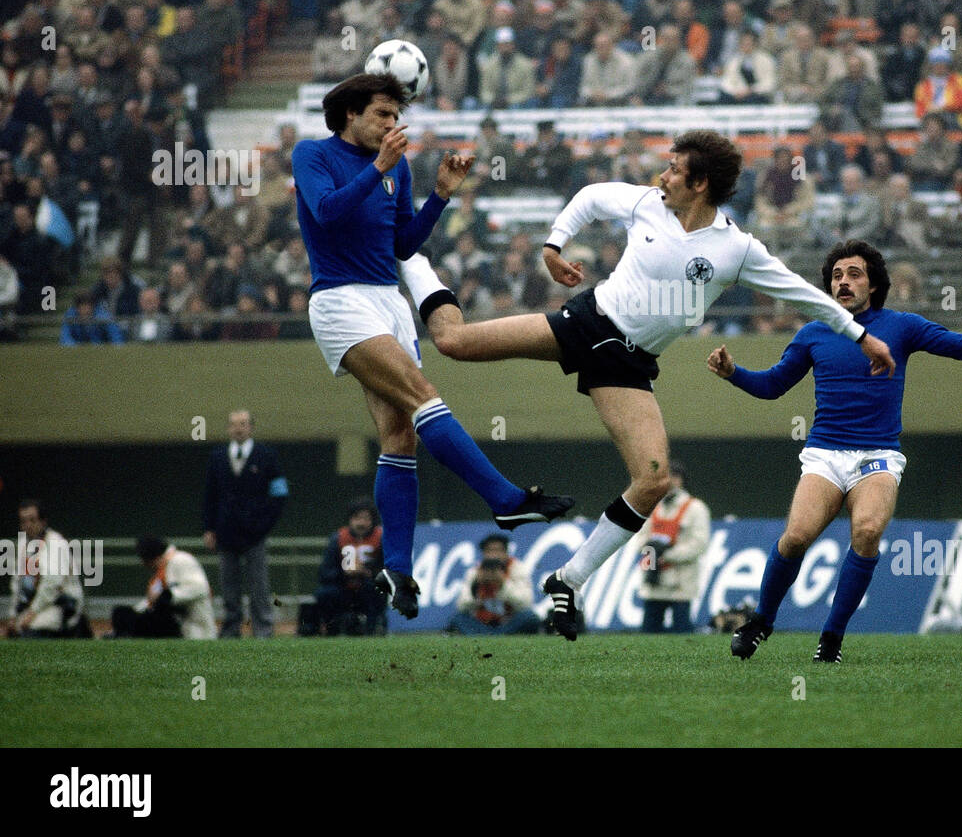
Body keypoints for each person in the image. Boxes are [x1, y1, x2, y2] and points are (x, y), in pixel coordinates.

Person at [398, 130, 897, 641]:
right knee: (453, 342)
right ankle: (408, 255)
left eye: (675, 169)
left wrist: (861, 336)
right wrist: (552, 244)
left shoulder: (736, 249)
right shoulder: (646, 204)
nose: (663, 176)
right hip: (587, 324)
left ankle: (567, 579)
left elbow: (802, 294)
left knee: (654, 478)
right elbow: (590, 199)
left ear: (700, 184)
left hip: (629, 366)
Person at [291, 72, 572, 621]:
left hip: (389, 303)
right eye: (382, 115)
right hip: (341, 300)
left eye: (397, 117)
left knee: (400, 437)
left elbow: (402, 244)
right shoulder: (313, 154)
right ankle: (505, 500)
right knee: (423, 396)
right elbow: (326, 213)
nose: (393, 125)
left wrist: (441, 195)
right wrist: (377, 168)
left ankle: (396, 566)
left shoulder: (396, 170)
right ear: (349, 115)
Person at [712, 241, 962, 662]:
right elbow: (773, 386)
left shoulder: (901, 326)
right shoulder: (813, 332)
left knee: (866, 532)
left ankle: (831, 640)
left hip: (877, 455)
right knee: (795, 537)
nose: (844, 282)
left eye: (854, 274)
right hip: (825, 453)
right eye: (837, 275)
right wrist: (734, 373)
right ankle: (761, 623)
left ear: (875, 284)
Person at [202, 409, 288, 638]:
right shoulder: (218, 457)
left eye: (242, 424)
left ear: (251, 427)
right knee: (228, 585)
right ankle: (231, 629)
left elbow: (279, 494)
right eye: (233, 424)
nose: (238, 428)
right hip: (225, 531)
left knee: (259, 585)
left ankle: (263, 629)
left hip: (255, 533)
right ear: (229, 428)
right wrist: (209, 528)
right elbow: (210, 495)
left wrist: (264, 525)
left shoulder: (267, 456)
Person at [631, 461, 711, 634]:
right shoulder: (651, 506)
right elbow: (639, 538)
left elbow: (699, 544)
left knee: (682, 634)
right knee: (648, 635)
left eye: (674, 477)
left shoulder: (696, 508)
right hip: (653, 582)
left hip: (680, 584)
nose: (669, 482)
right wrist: (651, 549)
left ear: (681, 480)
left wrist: (667, 555)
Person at [5, 499, 85, 639]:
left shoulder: (55, 542)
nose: (28, 525)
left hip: (59, 605)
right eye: (24, 521)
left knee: (30, 632)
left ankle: (77, 630)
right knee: (14, 632)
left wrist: (31, 614)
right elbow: (17, 583)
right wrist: (12, 615)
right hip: (35, 605)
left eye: (32, 520)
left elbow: (52, 584)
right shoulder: (24, 543)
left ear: (43, 521)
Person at [111, 535, 217, 639]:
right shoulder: (162, 569)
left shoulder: (182, 560)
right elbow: (152, 601)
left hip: (193, 628)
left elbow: (200, 589)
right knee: (122, 614)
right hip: (174, 623)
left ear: (152, 558)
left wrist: (167, 596)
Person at [309, 498, 387, 635]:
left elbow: (387, 569)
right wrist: (345, 572)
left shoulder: (381, 539)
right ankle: (331, 630)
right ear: (350, 519)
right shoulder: (338, 538)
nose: (361, 523)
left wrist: (367, 572)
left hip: (369, 587)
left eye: (366, 519)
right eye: (357, 518)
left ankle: (372, 630)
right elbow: (324, 572)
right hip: (342, 587)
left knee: (375, 590)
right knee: (324, 594)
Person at [449, 534, 541, 635]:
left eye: (498, 551)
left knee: (529, 617)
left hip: (508, 621)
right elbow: (462, 605)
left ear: (506, 553)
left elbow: (526, 603)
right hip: (482, 622)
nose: (494, 555)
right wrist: (476, 586)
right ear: (483, 553)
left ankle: (487, 636)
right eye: (489, 551)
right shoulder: (474, 572)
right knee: (458, 618)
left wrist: (503, 584)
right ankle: (492, 635)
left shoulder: (517, 568)